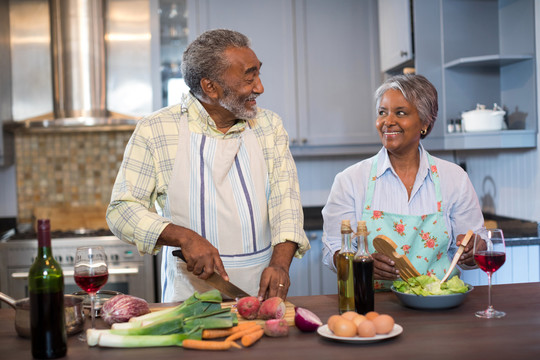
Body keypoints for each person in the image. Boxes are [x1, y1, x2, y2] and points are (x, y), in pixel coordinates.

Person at [106, 29, 310, 302]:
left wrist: (280, 265)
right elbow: (122, 210)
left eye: (258, 74)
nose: (260, 87)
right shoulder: (155, 129)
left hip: (260, 292)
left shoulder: (269, 126)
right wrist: (184, 238)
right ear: (210, 87)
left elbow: (286, 203)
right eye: (249, 77)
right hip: (189, 297)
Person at [321, 74, 484, 290]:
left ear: (425, 122)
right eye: (382, 113)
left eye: (400, 113)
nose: (387, 121)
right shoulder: (350, 180)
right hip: (374, 307)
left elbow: (472, 249)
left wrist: (474, 252)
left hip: (439, 306)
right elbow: (331, 248)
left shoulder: (455, 178)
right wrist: (359, 263)